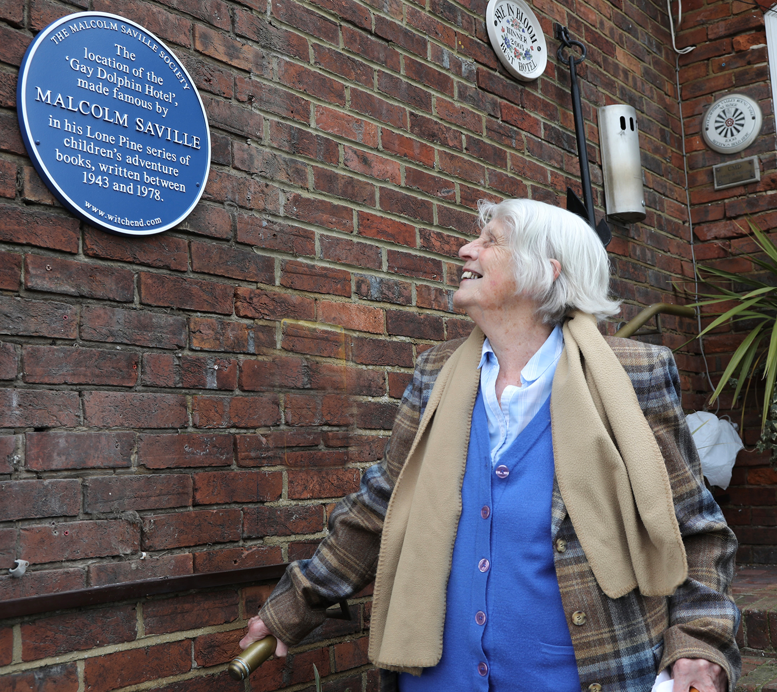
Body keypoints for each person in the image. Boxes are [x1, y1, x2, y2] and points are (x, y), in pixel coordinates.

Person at [239, 199, 741, 692]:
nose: (465, 250)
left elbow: (697, 531)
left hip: (580, 674)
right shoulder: (435, 375)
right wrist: (294, 607)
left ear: (545, 270)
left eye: (490, 241)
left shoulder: (634, 374)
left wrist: (699, 643)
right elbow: (381, 508)